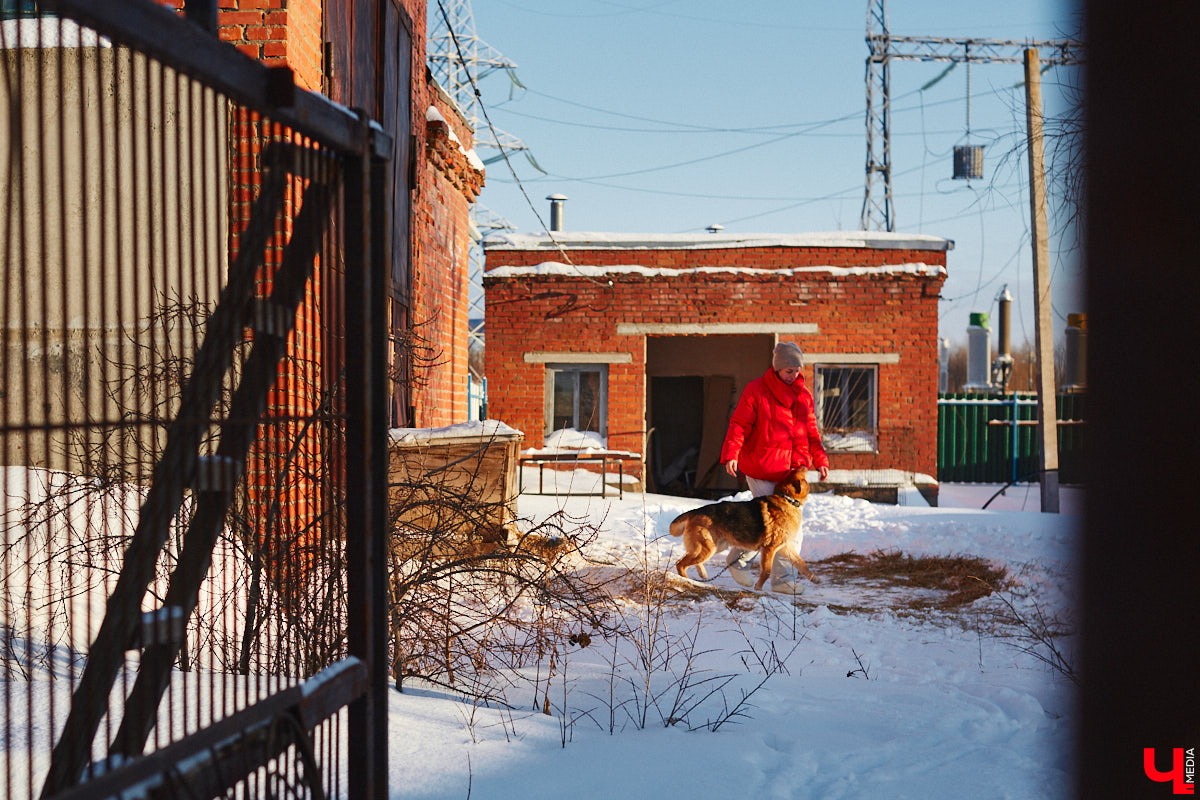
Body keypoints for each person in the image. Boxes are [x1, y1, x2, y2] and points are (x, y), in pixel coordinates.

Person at [720, 341, 829, 593]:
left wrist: (821, 460)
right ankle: (741, 562)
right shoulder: (756, 390)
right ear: (777, 368)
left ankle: (781, 580)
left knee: (791, 530)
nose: (794, 375)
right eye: (789, 370)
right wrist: (732, 453)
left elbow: (812, 433)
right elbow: (739, 424)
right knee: (768, 527)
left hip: (792, 473)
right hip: (762, 468)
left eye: (797, 370)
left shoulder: (804, 396)